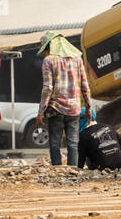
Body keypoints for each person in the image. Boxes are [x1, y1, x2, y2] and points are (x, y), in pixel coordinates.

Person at [37, 31, 92, 167]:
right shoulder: (77, 59)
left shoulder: (49, 60)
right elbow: (85, 85)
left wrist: (40, 112)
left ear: (49, 46)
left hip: (56, 108)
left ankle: (57, 170)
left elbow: (48, 88)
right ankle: (73, 170)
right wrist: (89, 107)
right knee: (73, 142)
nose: (44, 53)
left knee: (55, 143)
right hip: (74, 108)